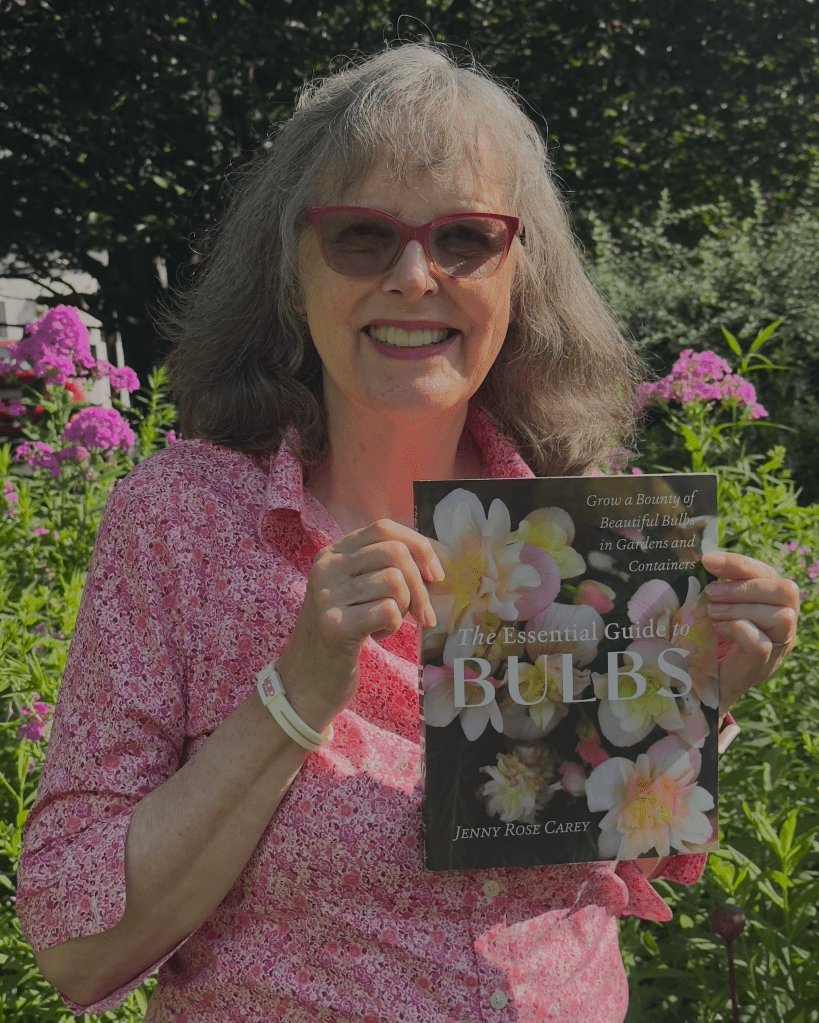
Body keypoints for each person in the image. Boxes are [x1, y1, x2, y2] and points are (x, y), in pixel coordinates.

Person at [17, 44, 799, 1023]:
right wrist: (296, 697)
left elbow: (623, 858)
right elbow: (73, 945)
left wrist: (699, 691)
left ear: (522, 274)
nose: (415, 276)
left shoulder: (588, 531)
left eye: (466, 237)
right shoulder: (179, 525)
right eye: (360, 238)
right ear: (291, 268)